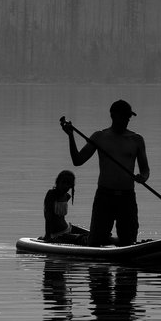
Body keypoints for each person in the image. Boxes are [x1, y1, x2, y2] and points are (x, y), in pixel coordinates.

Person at [61, 99, 149, 247]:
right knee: (95, 241)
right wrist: (71, 136)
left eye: (129, 117)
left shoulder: (137, 140)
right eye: (125, 116)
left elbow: (145, 170)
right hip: (104, 196)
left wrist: (143, 178)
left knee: (128, 241)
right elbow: (78, 160)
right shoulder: (99, 137)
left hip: (127, 197)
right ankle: (70, 239)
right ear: (114, 116)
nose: (128, 120)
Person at [42, 169, 88, 243]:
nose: (65, 186)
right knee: (86, 239)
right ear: (58, 182)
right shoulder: (51, 195)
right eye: (63, 183)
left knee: (94, 234)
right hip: (58, 235)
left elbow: (61, 217)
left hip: (68, 229)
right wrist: (47, 236)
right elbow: (48, 216)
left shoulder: (67, 196)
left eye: (68, 184)